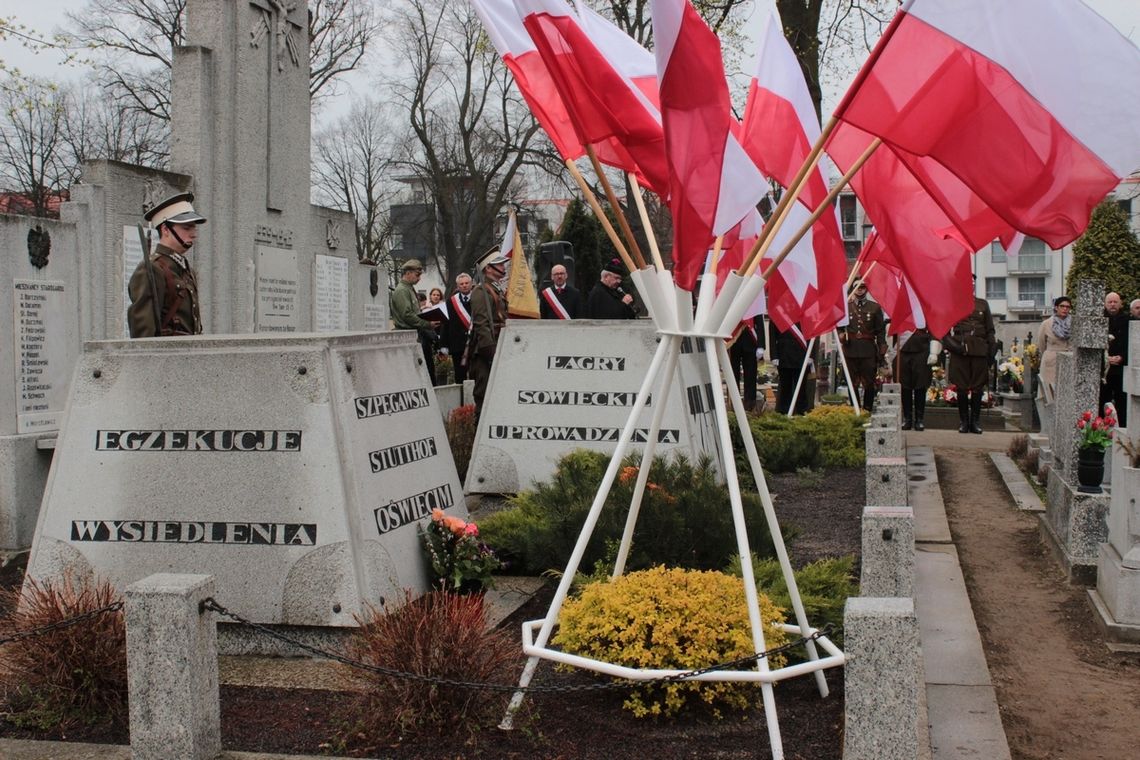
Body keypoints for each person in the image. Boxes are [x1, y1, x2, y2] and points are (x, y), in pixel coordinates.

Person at [127, 192, 207, 337]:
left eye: (194, 228)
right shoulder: (151, 269)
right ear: (165, 230)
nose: (194, 234)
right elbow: (143, 334)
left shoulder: (186, 269)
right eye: (187, 228)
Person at [944, 284, 995, 434]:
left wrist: (991, 351)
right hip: (961, 349)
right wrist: (954, 347)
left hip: (979, 350)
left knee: (978, 387)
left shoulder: (982, 304)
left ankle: (975, 422)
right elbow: (944, 331)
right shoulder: (953, 304)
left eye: (972, 284)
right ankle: (964, 422)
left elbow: (990, 330)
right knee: (961, 387)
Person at [468, 247, 509, 419]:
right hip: (486, 350)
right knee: (484, 393)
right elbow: (481, 324)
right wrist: (490, 352)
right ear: (488, 269)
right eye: (499, 264)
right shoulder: (480, 291)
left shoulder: (496, 289)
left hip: (498, 344)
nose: (504, 267)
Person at [390, 259, 441, 385]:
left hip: (416, 335)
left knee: (426, 372)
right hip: (408, 336)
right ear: (408, 273)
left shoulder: (409, 289)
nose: (419, 278)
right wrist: (427, 324)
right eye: (417, 275)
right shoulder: (402, 290)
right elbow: (407, 315)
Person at [840, 279, 886, 412]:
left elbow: (880, 331)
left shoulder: (875, 307)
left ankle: (867, 409)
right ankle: (855, 409)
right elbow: (839, 326)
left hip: (868, 351)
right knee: (851, 382)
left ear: (866, 289)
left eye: (863, 287)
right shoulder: (846, 306)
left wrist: (882, 349)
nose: (860, 289)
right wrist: (841, 335)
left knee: (869, 383)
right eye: (857, 287)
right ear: (853, 289)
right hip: (850, 349)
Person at [895, 327, 938, 430]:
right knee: (905, 386)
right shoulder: (902, 310)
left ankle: (919, 419)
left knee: (920, 385)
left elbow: (934, 327)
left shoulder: (925, 310)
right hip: (903, 348)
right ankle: (907, 419)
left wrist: (934, 351)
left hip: (922, 349)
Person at [1101, 291, 1129, 426]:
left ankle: (1123, 428)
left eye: (1115, 302)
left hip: (1121, 368)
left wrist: (1122, 357)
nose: (1112, 304)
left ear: (1120, 303)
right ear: (1105, 304)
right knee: (1103, 400)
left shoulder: (1128, 321)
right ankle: (1102, 429)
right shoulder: (1099, 321)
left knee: (1122, 400)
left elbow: (1131, 343)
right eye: (1109, 302)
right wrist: (1106, 358)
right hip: (1103, 369)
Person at [1037, 295, 1072, 403]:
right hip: (1051, 360)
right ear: (1056, 307)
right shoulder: (1046, 324)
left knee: (1066, 392)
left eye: (1068, 307)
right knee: (1049, 392)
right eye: (1062, 306)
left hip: (1069, 358)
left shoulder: (1074, 323)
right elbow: (1041, 343)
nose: (1065, 309)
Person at [442, 273, 474, 384]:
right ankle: (462, 400)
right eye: (461, 284)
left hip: (475, 343)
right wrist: (443, 345)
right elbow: (445, 324)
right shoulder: (451, 302)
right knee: (460, 376)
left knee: (476, 374)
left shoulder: (478, 298)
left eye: (466, 283)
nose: (464, 285)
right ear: (458, 286)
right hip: (457, 345)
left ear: (471, 284)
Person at [771, 323, 810, 415]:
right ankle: (784, 412)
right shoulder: (779, 311)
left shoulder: (804, 310)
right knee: (785, 387)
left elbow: (811, 333)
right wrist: (774, 355)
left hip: (801, 354)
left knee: (801, 387)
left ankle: (802, 411)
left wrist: (811, 355)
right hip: (784, 354)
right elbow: (772, 335)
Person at [728, 317, 764, 412]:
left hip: (751, 341)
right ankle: (733, 404)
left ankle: (750, 405)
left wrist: (761, 345)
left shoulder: (754, 302)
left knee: (751, 375)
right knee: (732, 374)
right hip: (732, 341)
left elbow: (759, 323)